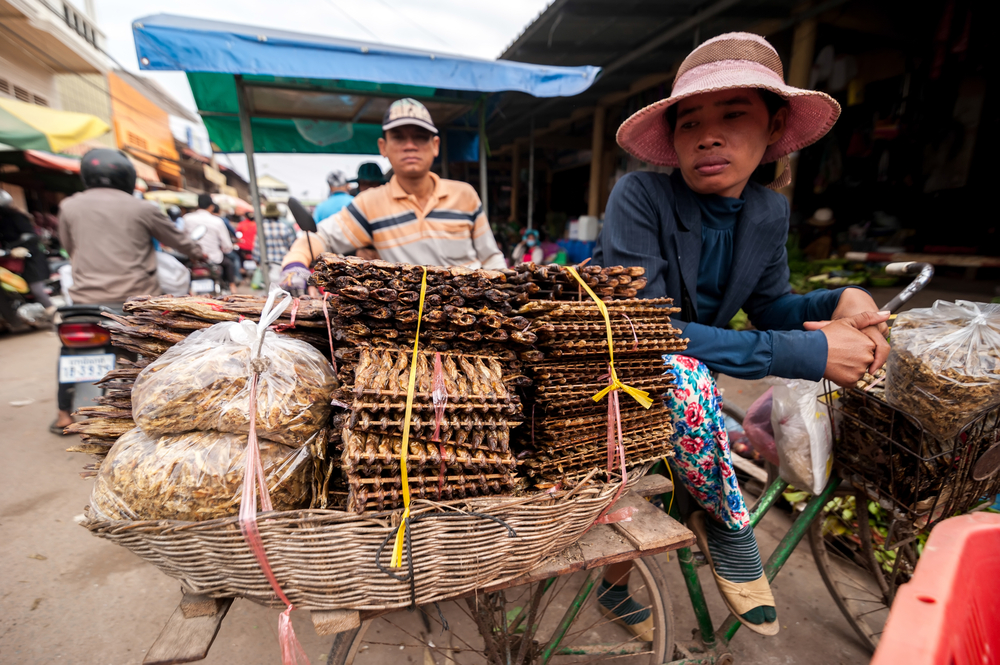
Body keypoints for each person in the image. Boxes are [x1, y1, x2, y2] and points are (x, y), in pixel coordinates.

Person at [592, 33, 890, 638]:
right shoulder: (639, 196)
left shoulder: (767, 211)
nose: (708, 135)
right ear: (673, 141)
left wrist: (838, 301)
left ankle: (616, 582)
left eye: (733, 115)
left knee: (687, 424)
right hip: (610, 373)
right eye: (690, 123)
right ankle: (730, 523)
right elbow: (648, 332)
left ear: (775, 125)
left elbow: (770, 305)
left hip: (690, 386)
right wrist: (811, 351)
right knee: (682, 378)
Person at [279, 98, 506, 291]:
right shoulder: (370, 204)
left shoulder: (464, 195)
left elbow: (491, 257)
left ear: (435, 145)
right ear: (383, 147)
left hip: (477, 313)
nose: (410, 145)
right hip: (412, 319)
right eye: (398, 137)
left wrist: (506, 289)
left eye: (420, 136)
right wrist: (294, 265)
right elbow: (320, 237)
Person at [56, 148, 205, 432]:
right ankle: (161, 406)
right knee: (160, 350)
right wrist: (197, 251)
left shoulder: (69, 206)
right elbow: (177, 240)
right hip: (135, 301)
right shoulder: (142, 208)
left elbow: (69, 246)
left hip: (84, 300)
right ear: (127, 176)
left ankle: (63, 414)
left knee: (68, 349)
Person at [1, 189, 54, 312]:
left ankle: (55, 316)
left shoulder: (16, 217)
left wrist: (15, 248)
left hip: (30, 258)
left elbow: (30, 236)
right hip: (9, 259)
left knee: (36, 289)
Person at [184, 194, 236, 293]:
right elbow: (227, 246)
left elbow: (182, 238)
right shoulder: (217, 221)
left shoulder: (187, 218)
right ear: (211, 206)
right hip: (214, 259)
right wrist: (225, 249)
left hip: (192, 259)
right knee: (229, 264)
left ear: (197, 205)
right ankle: (233, 288)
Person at [255, 202, 298, 285]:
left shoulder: (261, 228)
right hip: (282, 262)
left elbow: (257, 247)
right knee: (282, 288)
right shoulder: (284, 226)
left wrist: (257, 261)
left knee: (269, 288)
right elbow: (293, 246)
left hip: (267, 263)